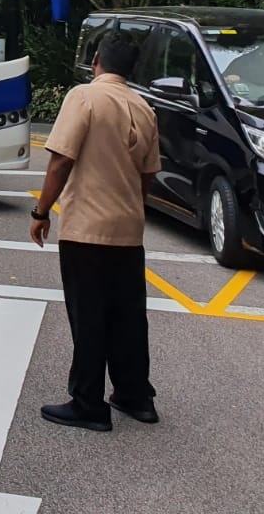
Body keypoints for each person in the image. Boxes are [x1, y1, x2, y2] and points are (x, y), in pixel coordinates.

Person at [29, 31, 161, 431]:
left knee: (88, 315)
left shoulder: (84, 97)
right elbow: (148, 175)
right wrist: (131, 207)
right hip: (128, 229)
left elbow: (61, 161)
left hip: (86, 228)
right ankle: (135, 396)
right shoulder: (144, 107)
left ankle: (88, 403)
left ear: (96, 60)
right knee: (128, 315)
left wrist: (41, 211)